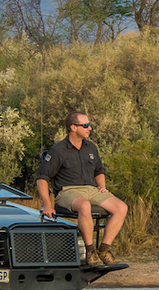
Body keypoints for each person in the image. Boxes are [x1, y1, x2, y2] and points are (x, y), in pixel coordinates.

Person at [35, 111, 127, 266]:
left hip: (91, 189)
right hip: (68, 191)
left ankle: (104, 250)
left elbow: (99, 171)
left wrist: (102, 187)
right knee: (84, 205)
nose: (90, 128)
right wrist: (47, 204)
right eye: (86, 125)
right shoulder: (58, 150)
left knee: (121, 207)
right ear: (73, 128)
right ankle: (90, 252)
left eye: (89, 125)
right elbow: (42, 178)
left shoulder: (91, 147)